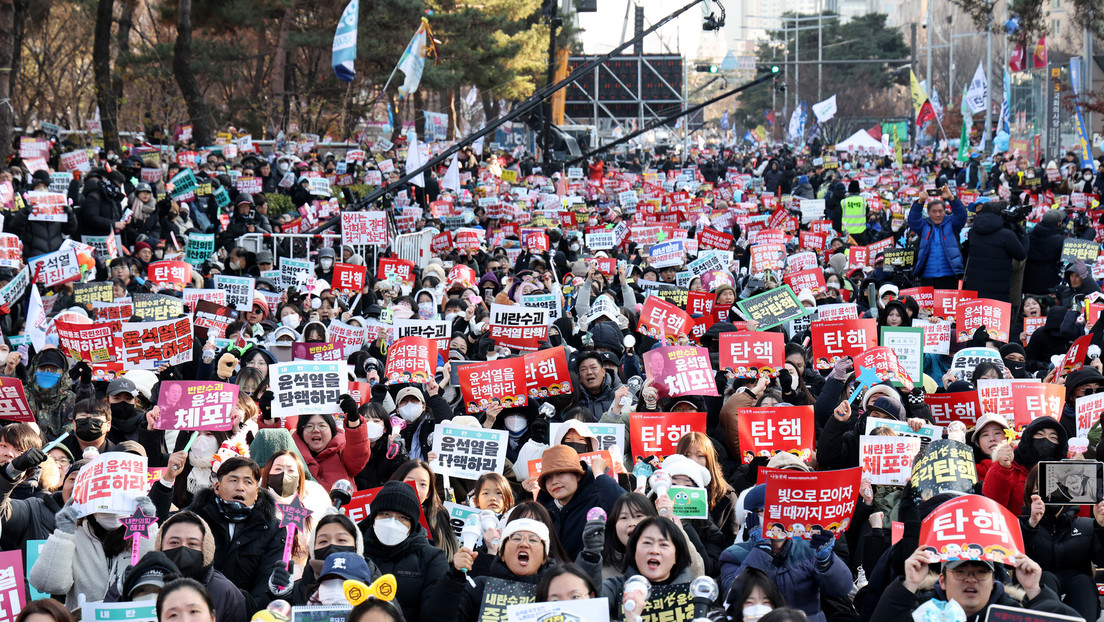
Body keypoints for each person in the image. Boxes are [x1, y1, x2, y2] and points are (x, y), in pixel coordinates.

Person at [871, 548, 1078, 622]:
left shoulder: (1013, 612)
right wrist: (909, 585)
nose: (971, 579)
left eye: (981, 572)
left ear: (993, 580)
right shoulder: (922, 611)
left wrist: (1035, 592)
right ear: (942, 581)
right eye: (960, 572)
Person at [357, 480, 448, 622]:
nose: (392, 523)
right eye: (385, 514)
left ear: (412, 524)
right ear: (374, 517)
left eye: (402, 518)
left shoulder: (432, 558)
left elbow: (436, 613)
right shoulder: (355, 550)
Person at [149, 511, 247, 622]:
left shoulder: (226, 592)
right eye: (174, 542)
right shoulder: (144, 586)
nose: (183, 548)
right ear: (160, 545)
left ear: (205, 548)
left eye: (192, 544)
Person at [536, 444, 624, 559]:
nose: (554, 481)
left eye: (561, 473)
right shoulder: (545, 509)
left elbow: (623, 508)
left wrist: (599, 474)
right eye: (548, 477)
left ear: (578, 474)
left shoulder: (598, 501)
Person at [600, 516, 697, 620]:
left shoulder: (696, 593)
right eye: (647, 543)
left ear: (676, 556)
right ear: (634, 550)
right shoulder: (614, 588)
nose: (654, 551)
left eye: (663, 544)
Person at [292, 395, 370, 489]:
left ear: (332, 430)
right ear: (301, 432)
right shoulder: (291, 457)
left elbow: (358, 451)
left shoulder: (342, 453)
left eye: (322, 426)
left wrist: (353, 418)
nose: (316, 430)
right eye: (309, 426)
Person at [962, 202, 1028, 303]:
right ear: (1000, 215)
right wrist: (1023, 235)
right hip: (998, 291)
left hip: (975, 289)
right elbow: (1021, 255)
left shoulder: (972, 232)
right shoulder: (1006, 235)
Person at [907, 186, 967, 289]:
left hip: (950, 276)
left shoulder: (952, 224)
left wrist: (951, 198)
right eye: (934, 212)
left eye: (940, 211)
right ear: (928, 213)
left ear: (945, 211)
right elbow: (913, 220)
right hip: (927, 277)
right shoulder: (924, 226)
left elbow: (961, 215)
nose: (938, 214)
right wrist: (920, 202)